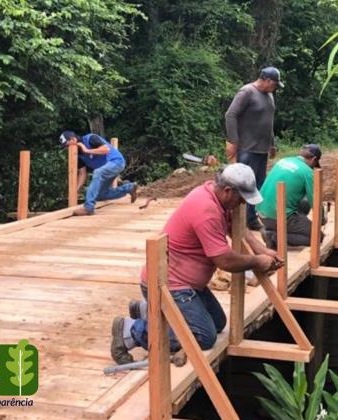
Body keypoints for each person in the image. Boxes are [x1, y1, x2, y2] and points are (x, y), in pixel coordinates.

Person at [109, 164, 282, 365]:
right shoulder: (207, 209)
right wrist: (257, 262)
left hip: (188, 284)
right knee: (203, 336)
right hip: (170, 285)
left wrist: (264, 251)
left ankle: (148, 309)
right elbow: (224, 260)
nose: (243, 203)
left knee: (218, 323)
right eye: (241, 197)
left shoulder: (216, 197)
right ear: (228, 191)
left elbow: (238, 231)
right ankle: (130, 331)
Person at [224, 67, 283, 229]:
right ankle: (242, 221)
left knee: (258, 186)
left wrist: (271, 144)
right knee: (244, 185)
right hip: (247, 149)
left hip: (261, 149)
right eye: (275, 84)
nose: (275, 88)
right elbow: (230, 115)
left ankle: (251, 218)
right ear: (267, 81)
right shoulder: (247, 92)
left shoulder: (269, 95)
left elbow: (268, 121)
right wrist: (233, 141)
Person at [257, 144, 323, 249]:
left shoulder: (283, 161)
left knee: (304, 204)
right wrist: (322, 219)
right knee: (318, 237)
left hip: (262, 213)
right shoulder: (308, 172)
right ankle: (274, 237)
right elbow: (316, 202)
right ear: (314, 159)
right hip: (277, 217)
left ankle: (274, 230)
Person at [60, 130, 137, 216]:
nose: (66, 148)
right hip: (105, 170)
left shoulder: (91, 138)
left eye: (66, 145)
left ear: (73, 139)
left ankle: (88, 208)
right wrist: (76, 190)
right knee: (100, 195)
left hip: (116, 162)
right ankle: (129, 188)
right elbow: (82, 173)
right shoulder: (78, 155)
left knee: (97, 172)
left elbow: (106, 149)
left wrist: (86, 150)